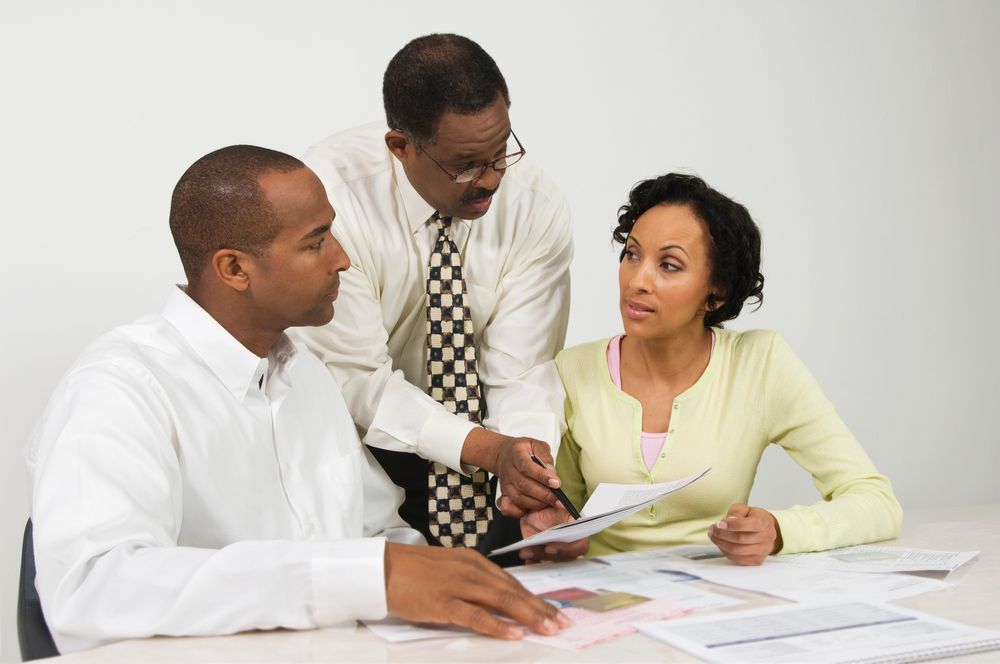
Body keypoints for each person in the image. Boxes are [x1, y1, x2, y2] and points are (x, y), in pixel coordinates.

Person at [25, 145, 570, 654]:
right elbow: (93, 588)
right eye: (315, 242)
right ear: (234, 269)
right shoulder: (118, 388)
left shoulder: (304, 374)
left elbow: (378, 531)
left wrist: (465, 583)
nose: (343, 260)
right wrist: (360, 578)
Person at [294, 34, 581, 562]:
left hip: (490, 449)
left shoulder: (536, 203)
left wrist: (529, 478)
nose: (492, 180)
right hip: (367, 451)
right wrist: (490, 452)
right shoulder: (330, 200)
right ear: (401, 146)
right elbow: (355, 376)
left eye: (502, 153)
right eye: (467, 164)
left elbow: (521, 371)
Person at [554, 173, 902, 565]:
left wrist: (779, 531)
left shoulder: (760, 363)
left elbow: (876, 501)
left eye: (669, 265)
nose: (637, 280)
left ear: (716, 292)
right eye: (632, 254)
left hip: (717, 598)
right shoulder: (573, 369)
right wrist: (552, 534)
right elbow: (561, 516)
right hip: (602, 603)